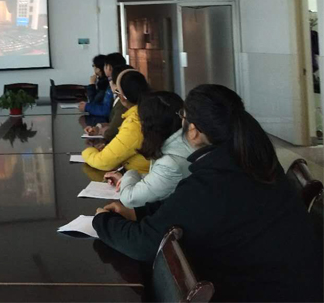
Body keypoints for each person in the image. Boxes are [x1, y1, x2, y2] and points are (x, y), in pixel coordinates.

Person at [92, 85, 323, 302]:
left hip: (264, 292)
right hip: (294, 284)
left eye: (182, 117)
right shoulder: (252, 161)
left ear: (193, 131)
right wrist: (137, 213)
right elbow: (185, 208)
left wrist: (103, 220)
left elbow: (143, 244)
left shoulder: (216, 181)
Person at [103, 91, 194, 208]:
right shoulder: (180, 143)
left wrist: (130, 174)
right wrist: (125, 180)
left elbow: (129, 199)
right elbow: (158, 180)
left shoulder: (170, 163)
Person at [81, 70, 150, 173]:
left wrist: (89, 150)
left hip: (141, 176)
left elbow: (103, 162)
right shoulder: (145, 111)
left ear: (123, 97)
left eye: (117, 92)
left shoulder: (135, 123)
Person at [84, 64, 132, 142]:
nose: (109, 83)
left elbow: (111, 133)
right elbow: (115, 123)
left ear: (117, 84)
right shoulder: (118, 98)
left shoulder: (123, 103)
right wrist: (99, 127)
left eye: (110, 79)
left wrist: (102, 131)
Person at [80, 53, 127, 117]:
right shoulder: (117, 81)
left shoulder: (111, 84)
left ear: (109, 67)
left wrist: (87, 106)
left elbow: (104, 109)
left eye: (105, 65)